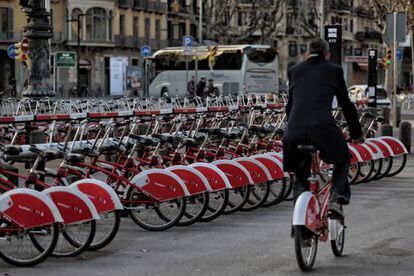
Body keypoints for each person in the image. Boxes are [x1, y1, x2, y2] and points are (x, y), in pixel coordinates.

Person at [283, 37, 364, 218]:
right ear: (327, 55)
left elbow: (290, 105)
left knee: (300, 177)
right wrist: (356, 133)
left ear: (306, 54)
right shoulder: (333, 70)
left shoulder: (294, 71)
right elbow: (346, 104)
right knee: (343, 158)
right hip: (322, 128)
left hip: (294, 130)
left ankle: (299, 220)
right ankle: (335, 196)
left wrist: (290, 128)